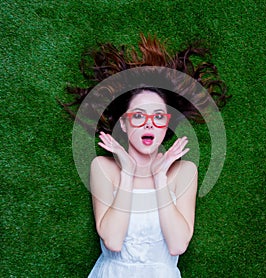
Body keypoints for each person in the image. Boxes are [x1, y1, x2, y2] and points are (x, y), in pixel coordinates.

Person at [62, 34, 230, 277]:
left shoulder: (185, 172)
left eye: (159, 117)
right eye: (139, 116)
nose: (149, 125)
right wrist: (128, 173)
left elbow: (178, 245)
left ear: (166, 125)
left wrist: (160, 178)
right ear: (124, 124)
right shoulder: (102, 167)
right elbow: (113, 240)